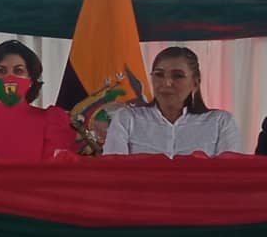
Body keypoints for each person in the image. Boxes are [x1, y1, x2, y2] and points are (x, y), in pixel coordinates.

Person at [103, 46, 242, 157]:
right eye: (159, 74)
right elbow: (114, 172)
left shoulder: (220, 122)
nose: (167, 83)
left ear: (195, 82)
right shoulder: (127, 119)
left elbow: (229, 175)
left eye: (177, 76)